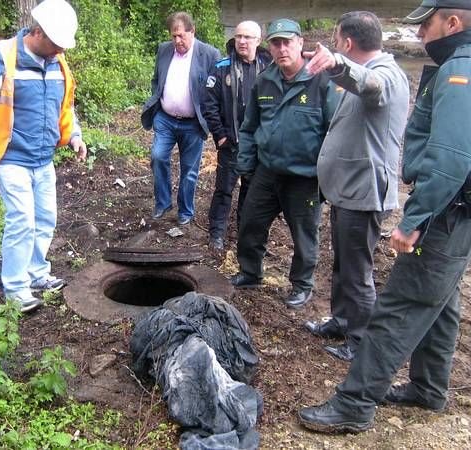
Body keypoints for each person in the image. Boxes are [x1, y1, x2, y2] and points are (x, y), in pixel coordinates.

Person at [298, 0, 471, 432]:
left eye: (426, 26)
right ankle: (428, 388)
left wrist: (413, 219)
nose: (420, 35)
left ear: (452, 22)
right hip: (461, 204)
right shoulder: (465, 63)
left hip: (451, 208)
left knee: (400, 304)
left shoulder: (464, 72)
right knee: (441, 300)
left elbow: (452, 156)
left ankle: (355, 404)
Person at [0, 0, 87, 313]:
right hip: (11, 159)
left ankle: (37, 274)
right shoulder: (1, 59)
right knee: (21, 222)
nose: (61, 50)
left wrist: (74, 135)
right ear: (38, 32)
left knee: (45, 219)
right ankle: (16, 288)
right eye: (56, 44)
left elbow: (66, 106)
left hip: (44, 159)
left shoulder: (57, 63)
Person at [301, 11, 410, 362]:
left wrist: (336, 65)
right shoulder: (375, 71)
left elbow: (371, 86)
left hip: (364, 193)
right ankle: (342, 320)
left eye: (336, 41)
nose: (335, 45)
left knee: (358, 272)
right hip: (348, 190)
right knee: (344, 265)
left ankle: (361, 339)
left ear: (347, 43)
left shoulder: (386, 75)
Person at [231, 18, 331, 309]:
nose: (282, 48)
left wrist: (327, 178)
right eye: (276, 43)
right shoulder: (264, 81)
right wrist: (246, 165)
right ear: (269, 47)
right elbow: (249, 127)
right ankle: (250, 272)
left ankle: (301, 285)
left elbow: (334, 133)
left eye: (288, 42)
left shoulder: (321, 81)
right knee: (250, 223)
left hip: (305, 178)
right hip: (267, 171)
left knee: (304, 234)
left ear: (300, 43)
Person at [141, 12, 221, 226]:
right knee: (158, 157)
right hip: (165, 119)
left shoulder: (209, 54)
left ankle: (185, 210)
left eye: (181, 35)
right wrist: (157, 102)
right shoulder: (164, 50)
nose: (176, 41)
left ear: (192, 31)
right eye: (173, 36)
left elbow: (216, 89)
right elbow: (156, 79)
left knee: (190, 170)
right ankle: (163, 203)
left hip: (193, 124)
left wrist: (208, 116)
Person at [203, 20, 272, 250]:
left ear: (258, 40)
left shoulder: (270, 68)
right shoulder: (221, 67)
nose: (242, 41)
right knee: (223, 190)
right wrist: (220, 136)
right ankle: (216, 234)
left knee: (251, 192)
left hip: (258, 146)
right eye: (239, 36)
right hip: (230, 144)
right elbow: (209, 104)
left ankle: (245, 233)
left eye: (247, 37)